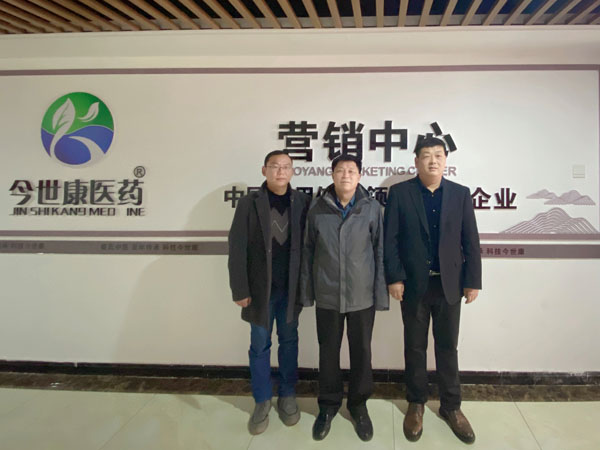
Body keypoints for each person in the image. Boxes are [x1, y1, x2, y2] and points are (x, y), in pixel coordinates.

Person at [383, 137, 482, 444]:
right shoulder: (400, 193)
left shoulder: (460, 194)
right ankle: (416, 403)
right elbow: (391, 240)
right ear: (416, 162)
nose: (433, 160)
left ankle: (451, 406)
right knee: (414, 347)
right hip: (414, 285)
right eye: (426, 155)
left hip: (449, 285)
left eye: (438, 155)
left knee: (447, 347)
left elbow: (470, 240)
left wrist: (473, 280)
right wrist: (394, 277)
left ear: (446, 160)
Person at [299, 154, 389, 442]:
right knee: (328, 352)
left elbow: (379, 252)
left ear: (360, 176)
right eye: (340, 170)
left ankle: (359, 406)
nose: (346, 175)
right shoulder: (317, 208)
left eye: (351, 170)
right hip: (328, 295)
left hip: (362, 296)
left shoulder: (371, 208)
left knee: (362, 351)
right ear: (332, 175)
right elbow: (307, 252)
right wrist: (307, 293)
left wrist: (380, 294)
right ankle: (327, 406)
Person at [228, 150, 311, 435]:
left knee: (289, 342)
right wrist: (239, 289)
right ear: (264, 170)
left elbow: (310, 248)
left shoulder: (303, 202)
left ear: (292, 171)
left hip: (290, 291)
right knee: (260, 345)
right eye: (275, 166)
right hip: (258, 292)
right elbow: (237, 247)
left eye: (286, 166)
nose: (280, 171)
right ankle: (262, 399)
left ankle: (287, 394)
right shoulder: (248, 203)